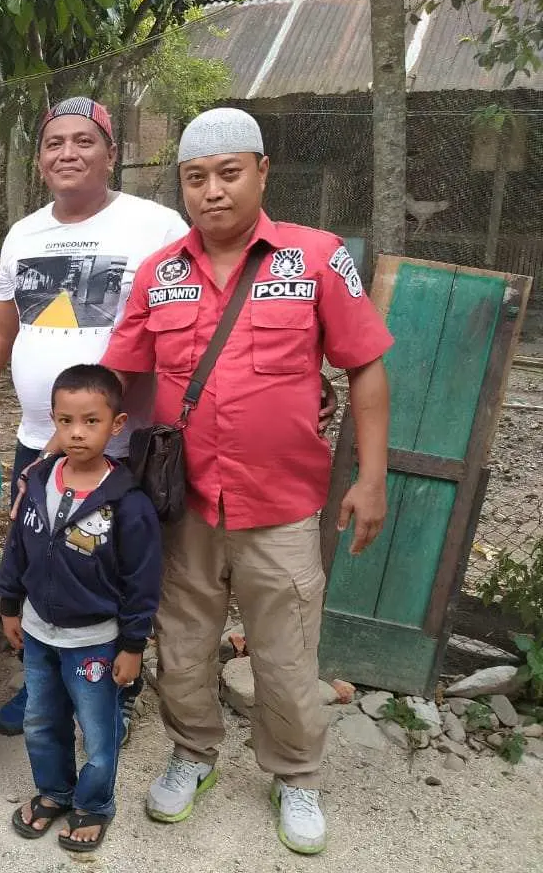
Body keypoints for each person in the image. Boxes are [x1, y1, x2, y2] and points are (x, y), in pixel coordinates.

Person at [101, 107, 392, 855]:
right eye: (195, 179)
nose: (212, 192)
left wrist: (373, 477)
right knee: (184, 642)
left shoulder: (318, 257)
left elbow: (364, 367)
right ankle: (192, 755)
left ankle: (295, 773)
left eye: (229, 174)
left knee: (288, 650)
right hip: (183, 505)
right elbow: (117, 382)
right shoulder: (158, 272)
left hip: (284, 503)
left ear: (263, 172)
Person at [0, 96, 187, 737]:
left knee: (114, 567)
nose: (67, 153)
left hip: (119, 448)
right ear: (40, 159)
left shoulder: (155, 227)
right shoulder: (25, 234)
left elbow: (191, 323)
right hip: (39, 440)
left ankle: (111, 691)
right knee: (41, 558)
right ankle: (42, 681)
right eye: (54, 143)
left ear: (111, 153)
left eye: (83, 141)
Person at [0, 365, 161, 853]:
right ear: (52, 420)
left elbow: (142, 583)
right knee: (41, 721)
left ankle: (92, 805)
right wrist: (10, 606)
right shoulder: (39, 479)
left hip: (95, 640)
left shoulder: (128, 504)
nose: (76, 432)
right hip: (39, 634)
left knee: (97, 729)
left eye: (91, 421)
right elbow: (17, 549)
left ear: (116, 423)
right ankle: (54, 792)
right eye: (66, 420)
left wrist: (133, 645)